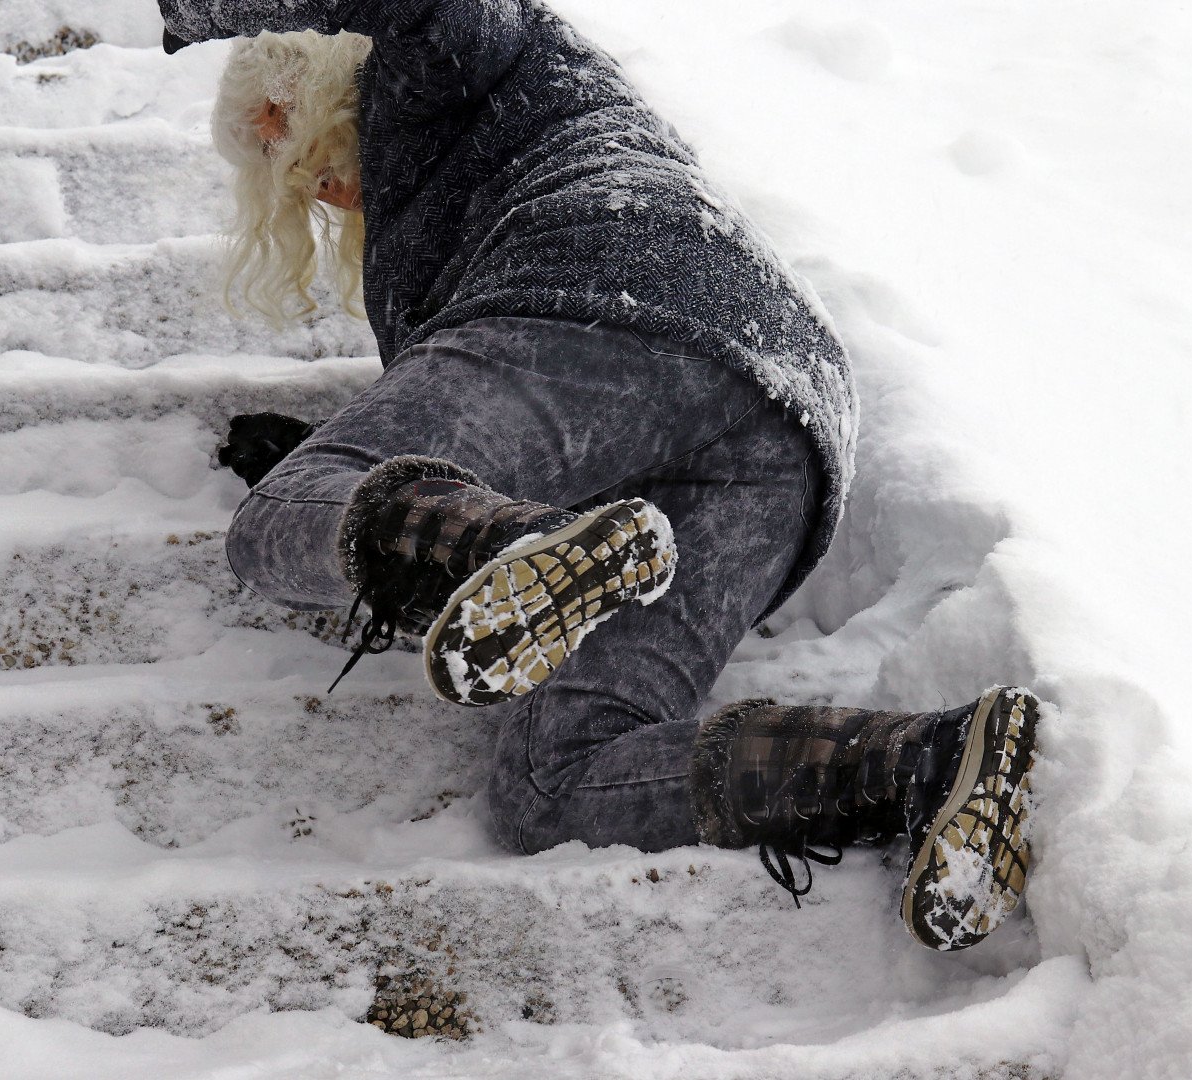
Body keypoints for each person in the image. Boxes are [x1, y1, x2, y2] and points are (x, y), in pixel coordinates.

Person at [160, 0, 1037, 952]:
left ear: (305, 92)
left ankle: (504, 545)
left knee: (271, 524)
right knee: (550, 783)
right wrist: (344, 451)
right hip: (777, 419)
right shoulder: (500, 153)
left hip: (609, 297)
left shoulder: (442, 71)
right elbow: (513, 422)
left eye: (281, 147)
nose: (315, 193)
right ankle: (916, 765)